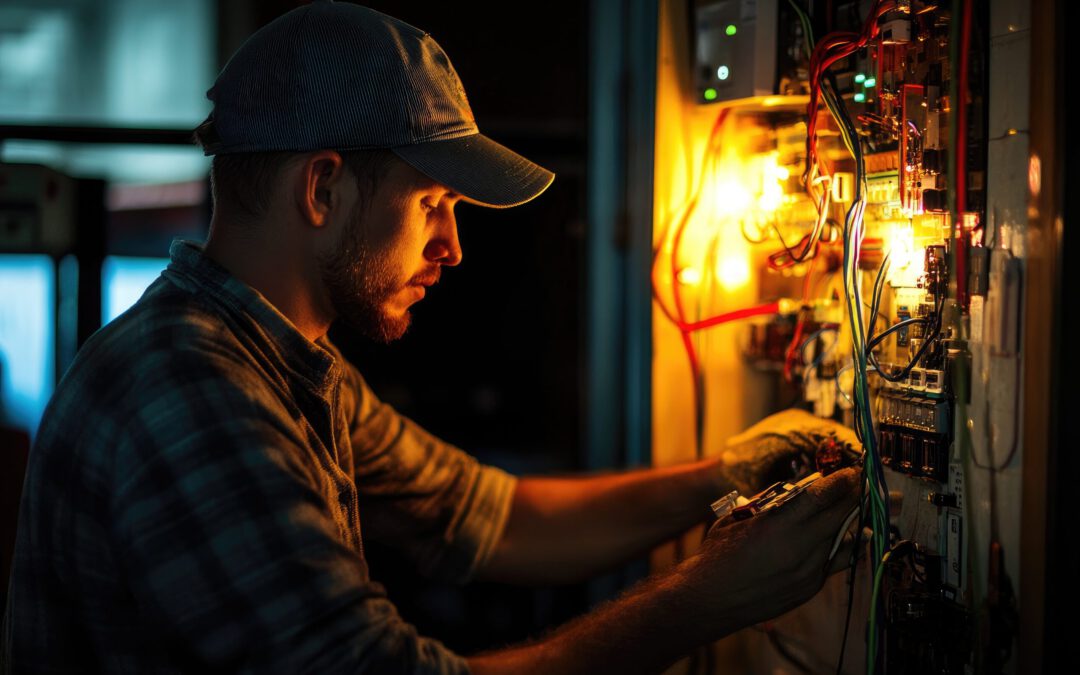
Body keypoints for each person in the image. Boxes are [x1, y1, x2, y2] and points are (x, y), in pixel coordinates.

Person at [2, 2, 861, 673]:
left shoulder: (285, 362)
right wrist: (709, 597)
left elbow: (487, 516)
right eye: (432, 204)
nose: (452, 246)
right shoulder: (189, 396)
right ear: (322, 190)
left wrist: (724, 475)